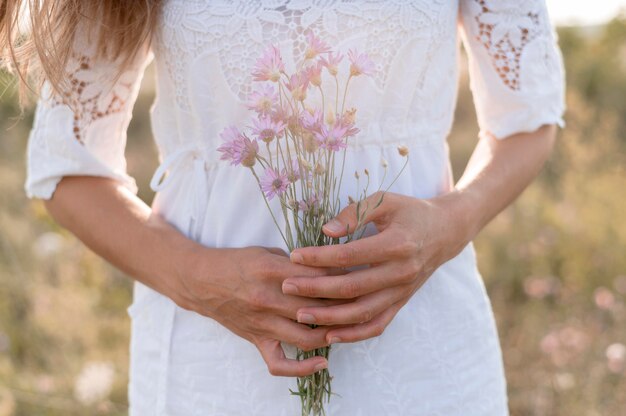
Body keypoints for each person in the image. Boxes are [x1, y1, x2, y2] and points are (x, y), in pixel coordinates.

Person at [1, 1, 565, 414]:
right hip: (211, 365)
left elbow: (530, 118)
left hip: (424, 356)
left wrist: (450, 223)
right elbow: (68, 169)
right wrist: (197, 279)